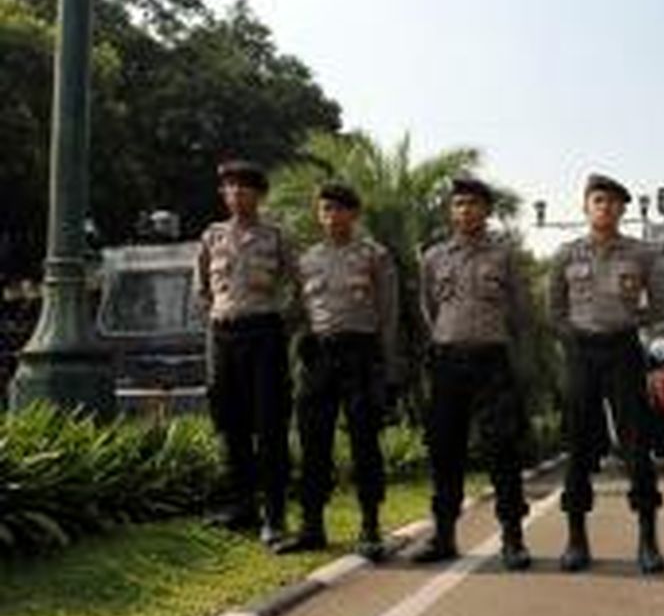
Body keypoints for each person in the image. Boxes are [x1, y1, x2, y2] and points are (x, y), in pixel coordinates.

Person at [410, 175, 533, 570]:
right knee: (445, 451)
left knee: (502, 450)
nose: (465, 210)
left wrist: (503, 349)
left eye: (473, 204)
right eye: (459, 204)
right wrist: (448, 338)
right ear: (451, 210)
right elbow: (429, 308)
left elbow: (520, 311)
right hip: (447, 363)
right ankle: (444, 535)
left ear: (487, 211)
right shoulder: (433, 258)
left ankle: (512, 538)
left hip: (491, 362)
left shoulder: (504, 256)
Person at [275, 183, 399, 561]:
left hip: (362, 356)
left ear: (354, 214)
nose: (332, 216)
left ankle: (371, 526)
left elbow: (389, 314)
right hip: (319, 358)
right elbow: (295, 311)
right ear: (319, 214)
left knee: (364, 443)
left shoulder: (375, 256)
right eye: (325, 209)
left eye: (340, 209)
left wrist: (388, 368)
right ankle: (312, 526)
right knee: (313, 443)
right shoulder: (306, 260)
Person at [548, 173, 664, 574]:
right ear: (585, 207)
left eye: (614, 202)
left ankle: (648, 540)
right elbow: (555, 311)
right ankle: (576, 539)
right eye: (598, 200)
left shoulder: (641, 254)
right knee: (578, 445)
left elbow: (661, 305)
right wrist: (573, 340)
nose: (606, 208)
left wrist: (631, 321)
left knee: (637, 445)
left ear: (623, 210)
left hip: (623, 351)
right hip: (581, 353)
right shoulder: (565, 255)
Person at [194, 160, 299, 547]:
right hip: (223, 335)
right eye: (229, 188)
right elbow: (202, 289)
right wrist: (220, 318)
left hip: (264, 335)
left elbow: (297, 285)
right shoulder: (212, 237)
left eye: (244, 188)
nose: (236, 195)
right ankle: (243, 507)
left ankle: (274, 516)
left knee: (270, 427)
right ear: (223, 194)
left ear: (259, 194)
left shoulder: (277, 236)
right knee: (231, 425)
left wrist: (278, 320)